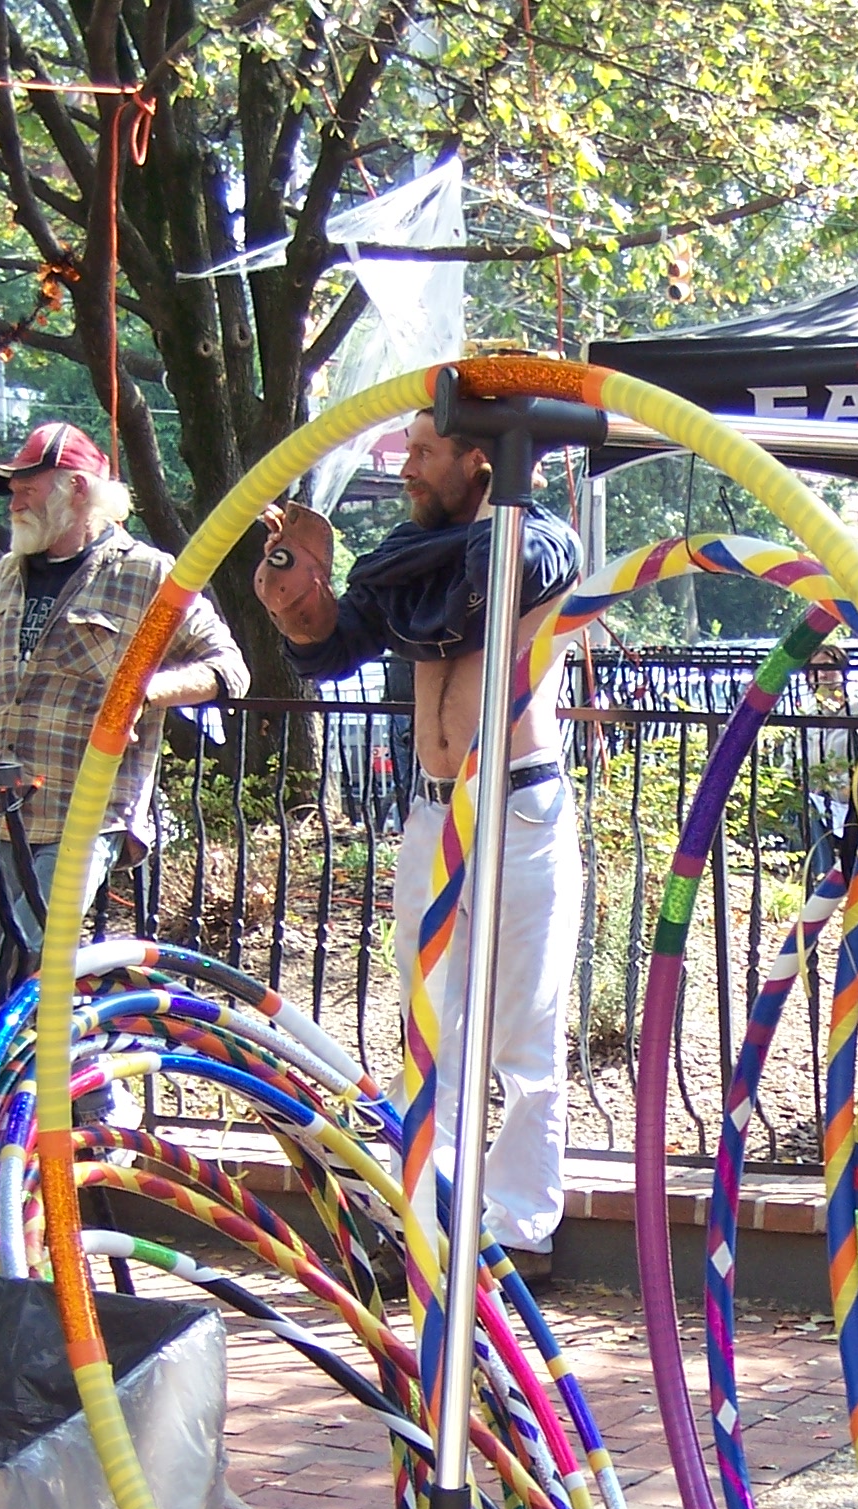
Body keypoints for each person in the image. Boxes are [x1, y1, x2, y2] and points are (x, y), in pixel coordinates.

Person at [253, 413, 581, 1265]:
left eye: (425, 451)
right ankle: (428, 1215)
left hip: (516, 809)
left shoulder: (537, 540)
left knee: (523, 1031)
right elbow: (335, 647)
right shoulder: (412, 553)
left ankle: (520, 1231)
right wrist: (300, 597)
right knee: (430, 1026)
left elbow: (491, 582)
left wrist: (389, 567)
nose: (405, 468)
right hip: (436, 813)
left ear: (481, 458)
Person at [0, 421, 249, 994]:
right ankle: (53, 1053)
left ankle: (34, 1046)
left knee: (24, 950)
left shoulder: (151, 576)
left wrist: (145, 690)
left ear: (77, 487)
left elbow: (227, 668)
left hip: (85, 811)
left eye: (27, 487)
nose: (14, 502)